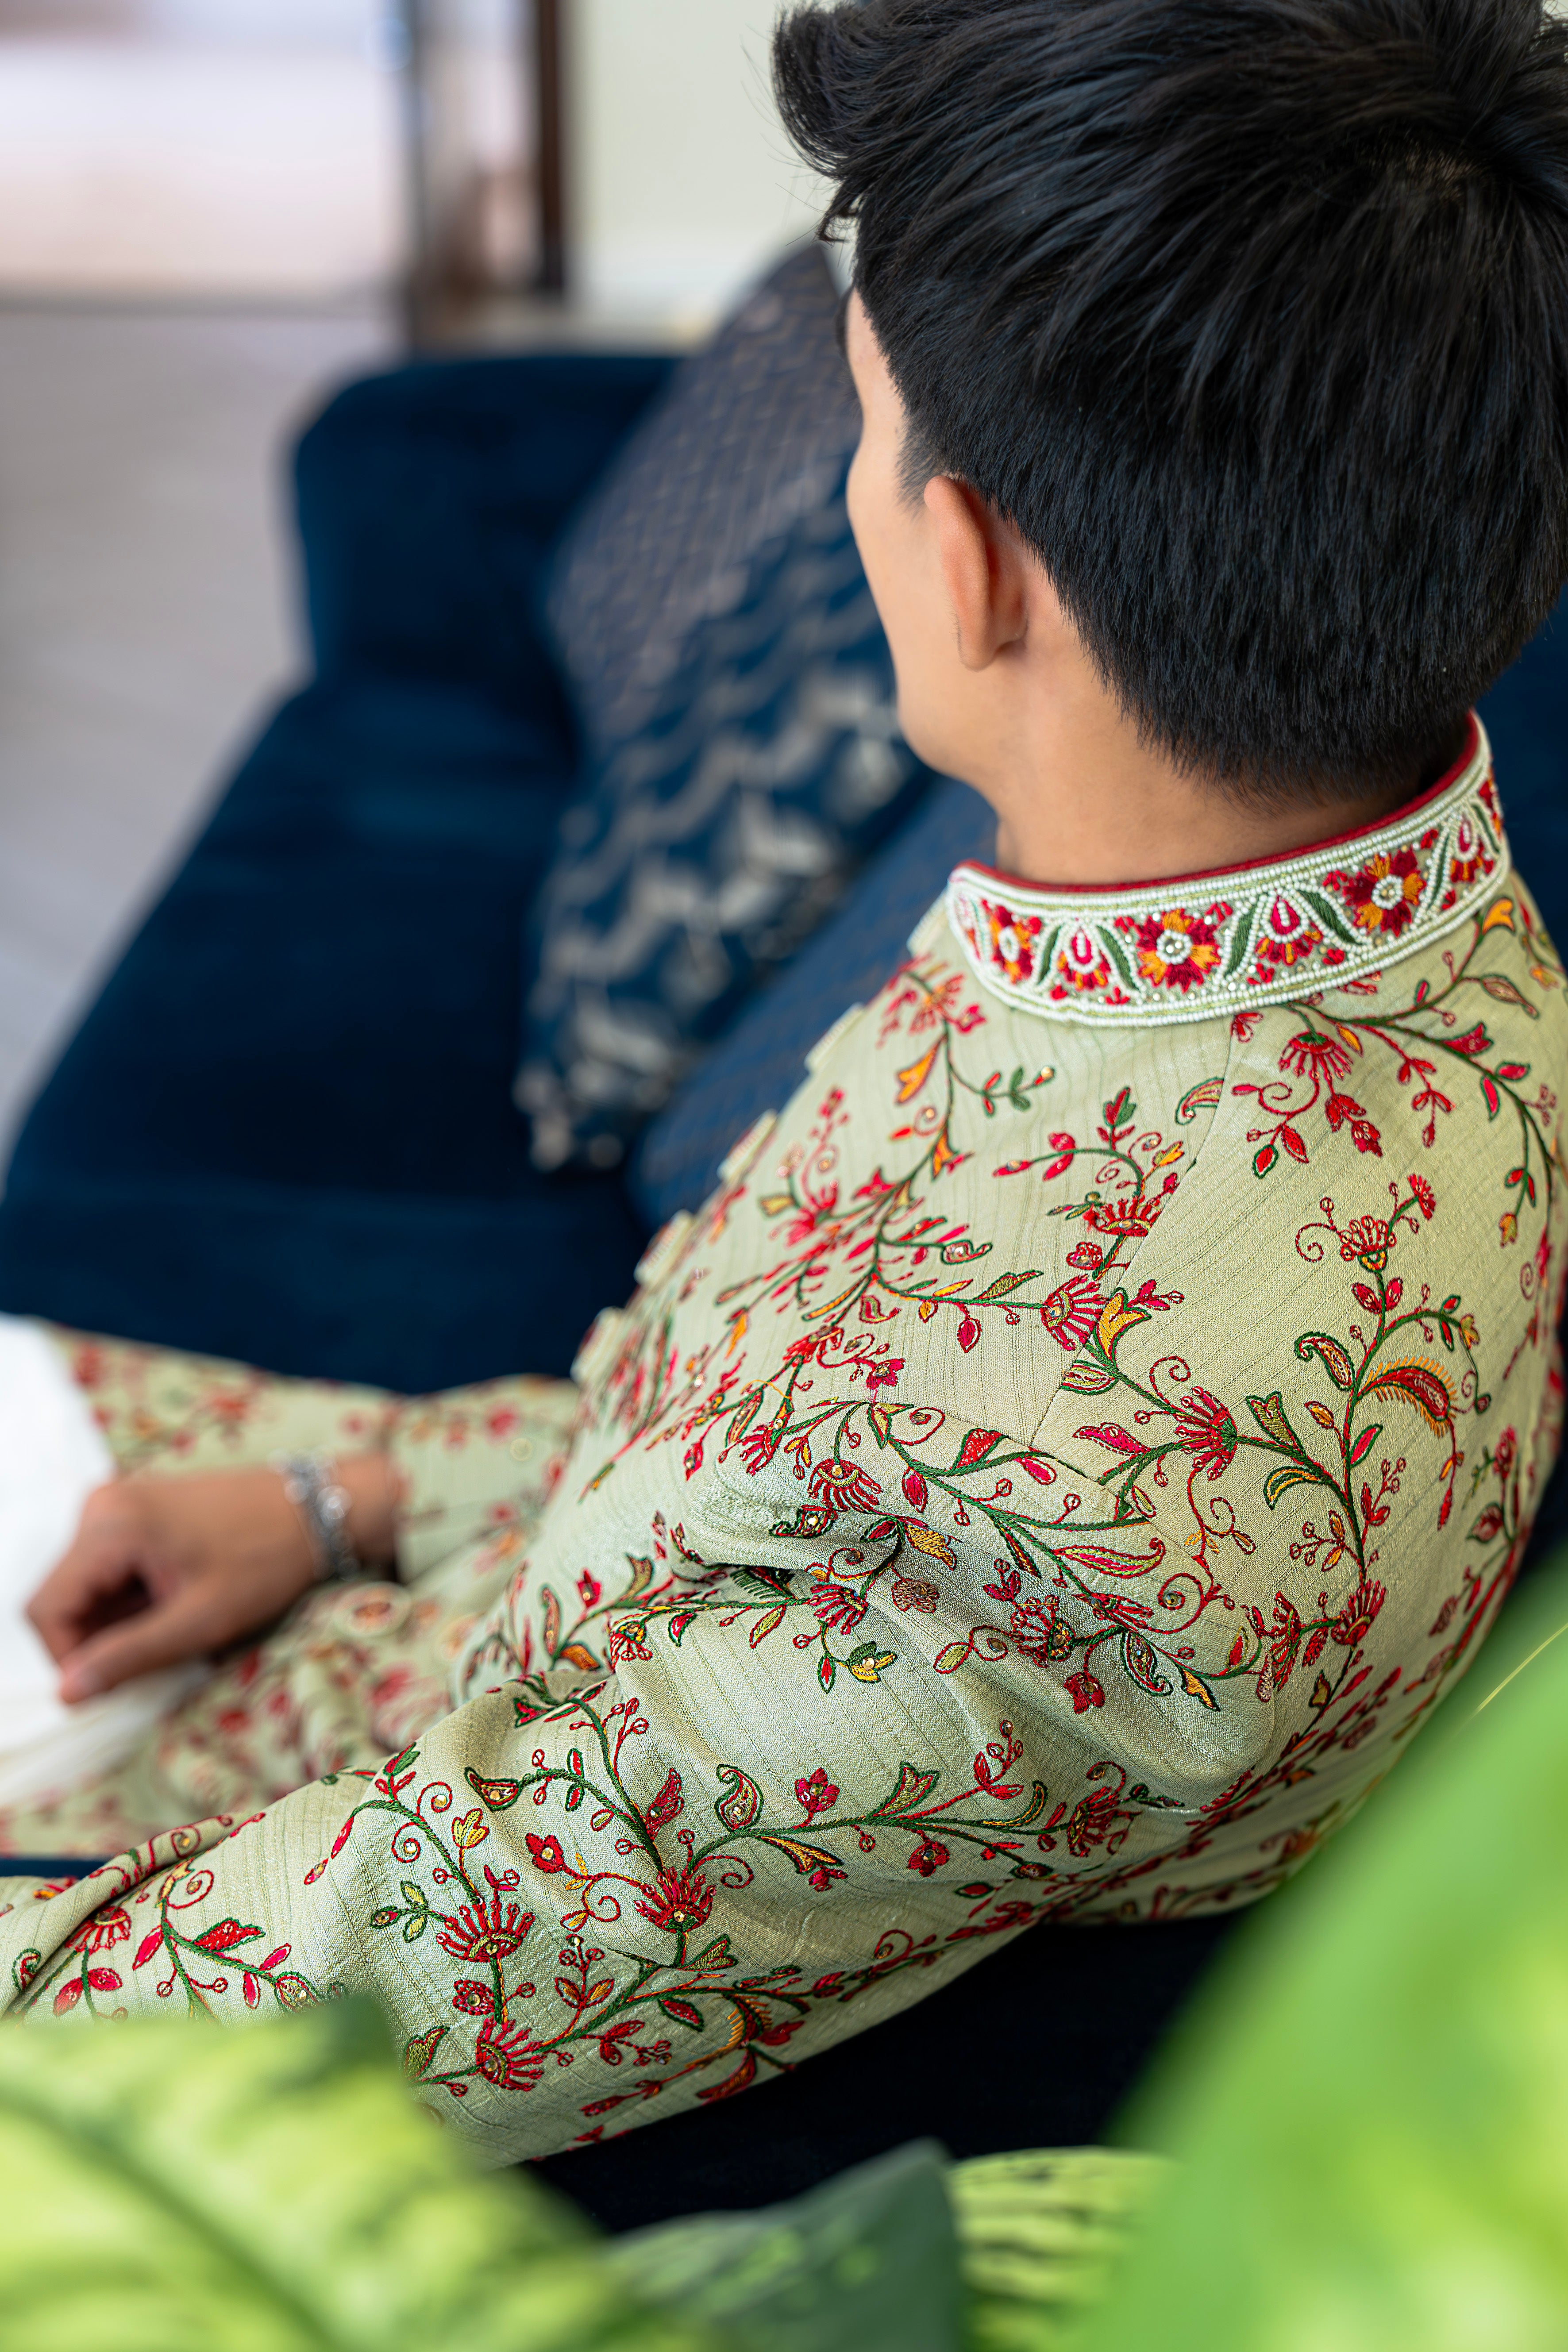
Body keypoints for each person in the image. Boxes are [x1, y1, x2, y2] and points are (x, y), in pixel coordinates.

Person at [2, 0, 1565, 2170]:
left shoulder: (1058, 1534)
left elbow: (371, 1976)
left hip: (301, 1905)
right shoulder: (1384, 914)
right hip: (451, 1585)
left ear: (971, 564)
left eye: (863, 435)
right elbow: (742, 1439)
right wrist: (333, 1500)